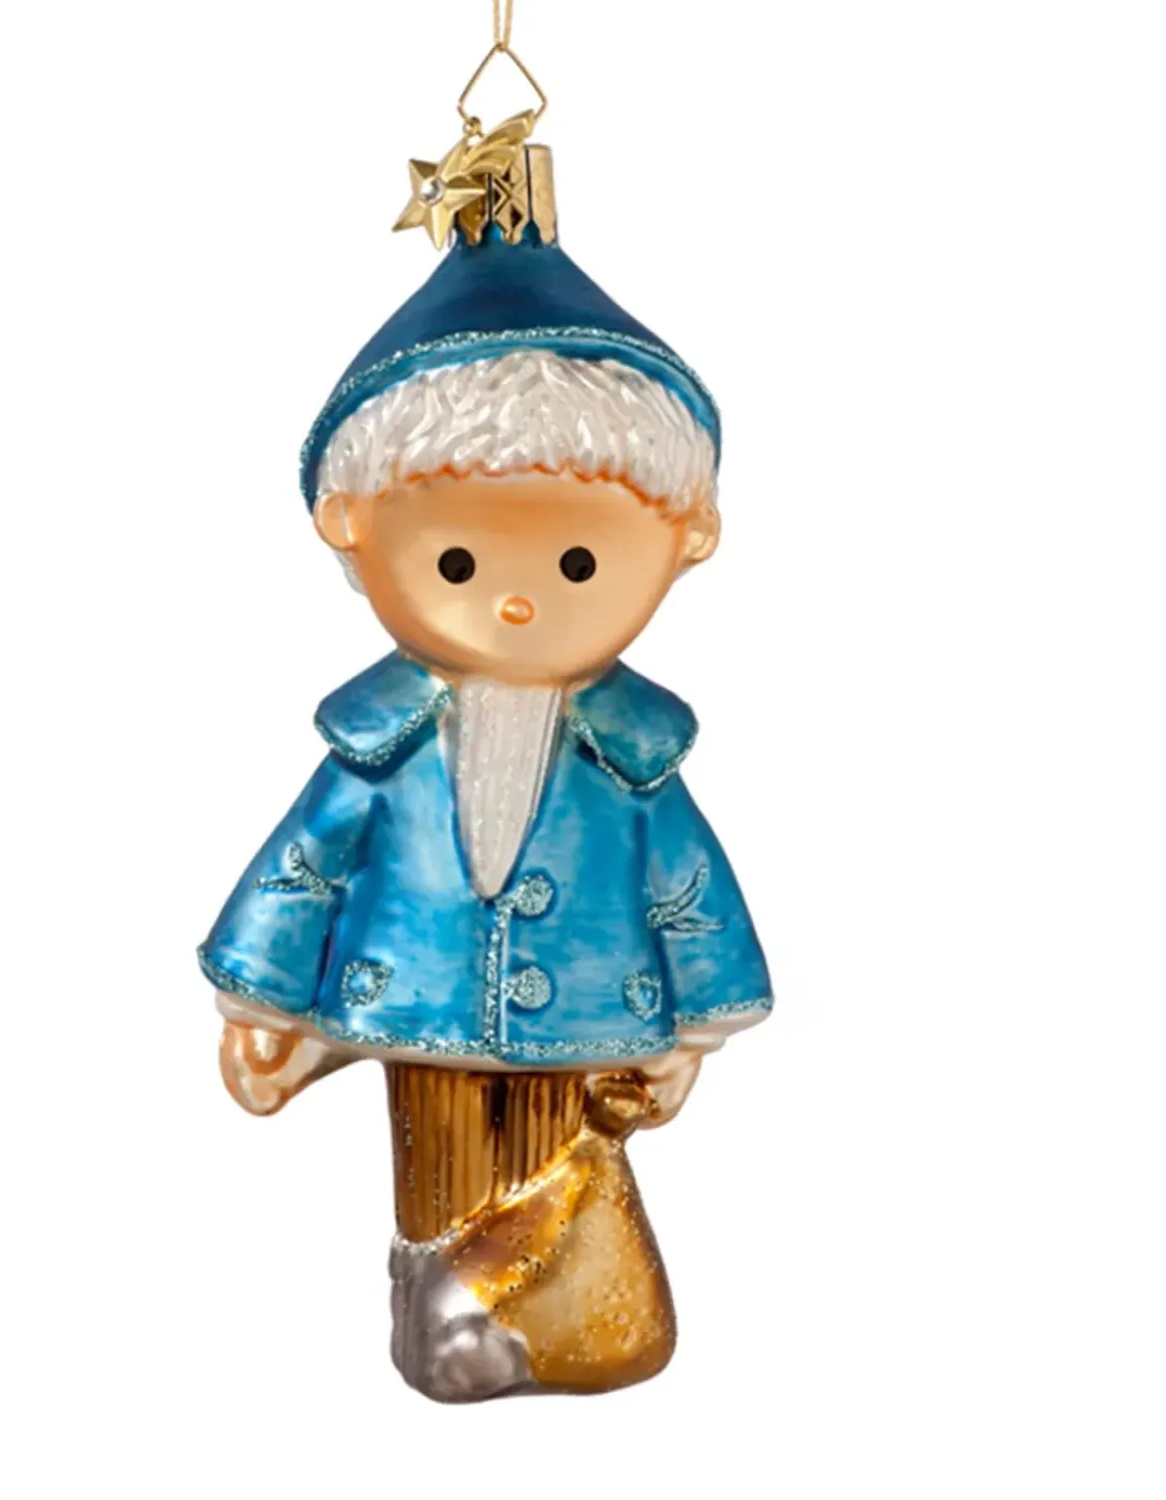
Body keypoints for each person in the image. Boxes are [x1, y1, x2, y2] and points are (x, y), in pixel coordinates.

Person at [199, 133, 771, 1401]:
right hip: (420, 1018)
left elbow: (686, 887)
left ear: (686, 540)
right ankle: (443, 1303)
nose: (518, 601)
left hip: (587, 1031)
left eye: (579, 564)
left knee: (572, 1186)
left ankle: (538, 1313)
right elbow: (305, 868)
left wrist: (696, 1028)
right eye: (457, 562)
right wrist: (266, 1006)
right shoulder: (376, 748)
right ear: (352, 529)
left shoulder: (633, 759)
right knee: (440, 1184)